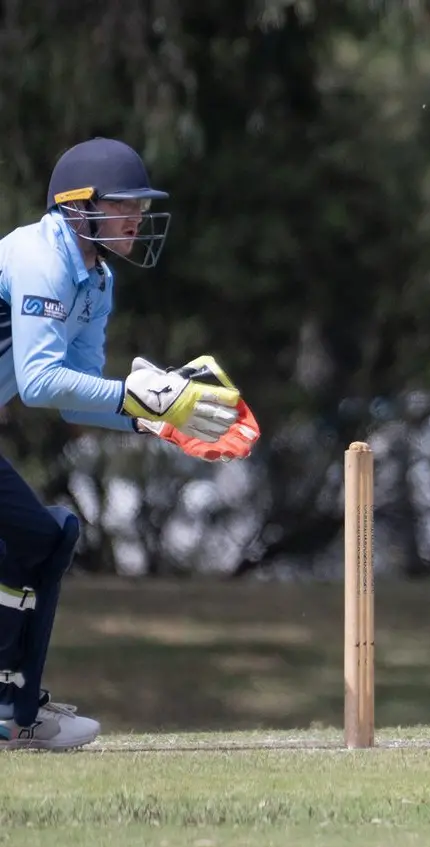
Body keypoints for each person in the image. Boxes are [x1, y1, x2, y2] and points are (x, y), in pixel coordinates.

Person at [0, 137, 260, 750]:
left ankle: (17, 711)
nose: (137, 219)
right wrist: (144, 399)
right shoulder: (39, 257)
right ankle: (13, 708)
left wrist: (158, 420)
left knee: (48, 537)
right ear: (77, 206)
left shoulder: (95, 281)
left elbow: (77, 395)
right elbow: (38, 384)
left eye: (141, 209)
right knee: (35, 538)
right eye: (125, 206)